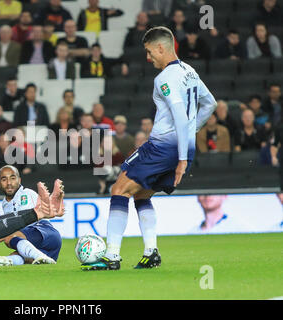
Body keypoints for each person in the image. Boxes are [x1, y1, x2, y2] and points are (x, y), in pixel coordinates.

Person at [82, 26, 217, 271]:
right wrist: (188, 135)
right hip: (182, 146)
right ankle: (151, 252)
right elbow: (210, 104)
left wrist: (182, 157)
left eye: (148, 51)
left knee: (119, 189)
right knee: (142, 195)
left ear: (161, 48)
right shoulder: (190, 71)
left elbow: (177, 110)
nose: (148, 57)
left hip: (162, 148)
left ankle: (111, 256)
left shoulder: (164, 77)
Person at [0, 165, 62, 265]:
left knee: (9, 237)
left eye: (13, 178)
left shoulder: (26, 194)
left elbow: (18, 225)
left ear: (19, 180)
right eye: (4, 179)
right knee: (18, 255)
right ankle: (5, 260)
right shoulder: (5, 203)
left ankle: (38, 256)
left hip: (44, 232)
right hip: (43, 245)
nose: (9, 183)